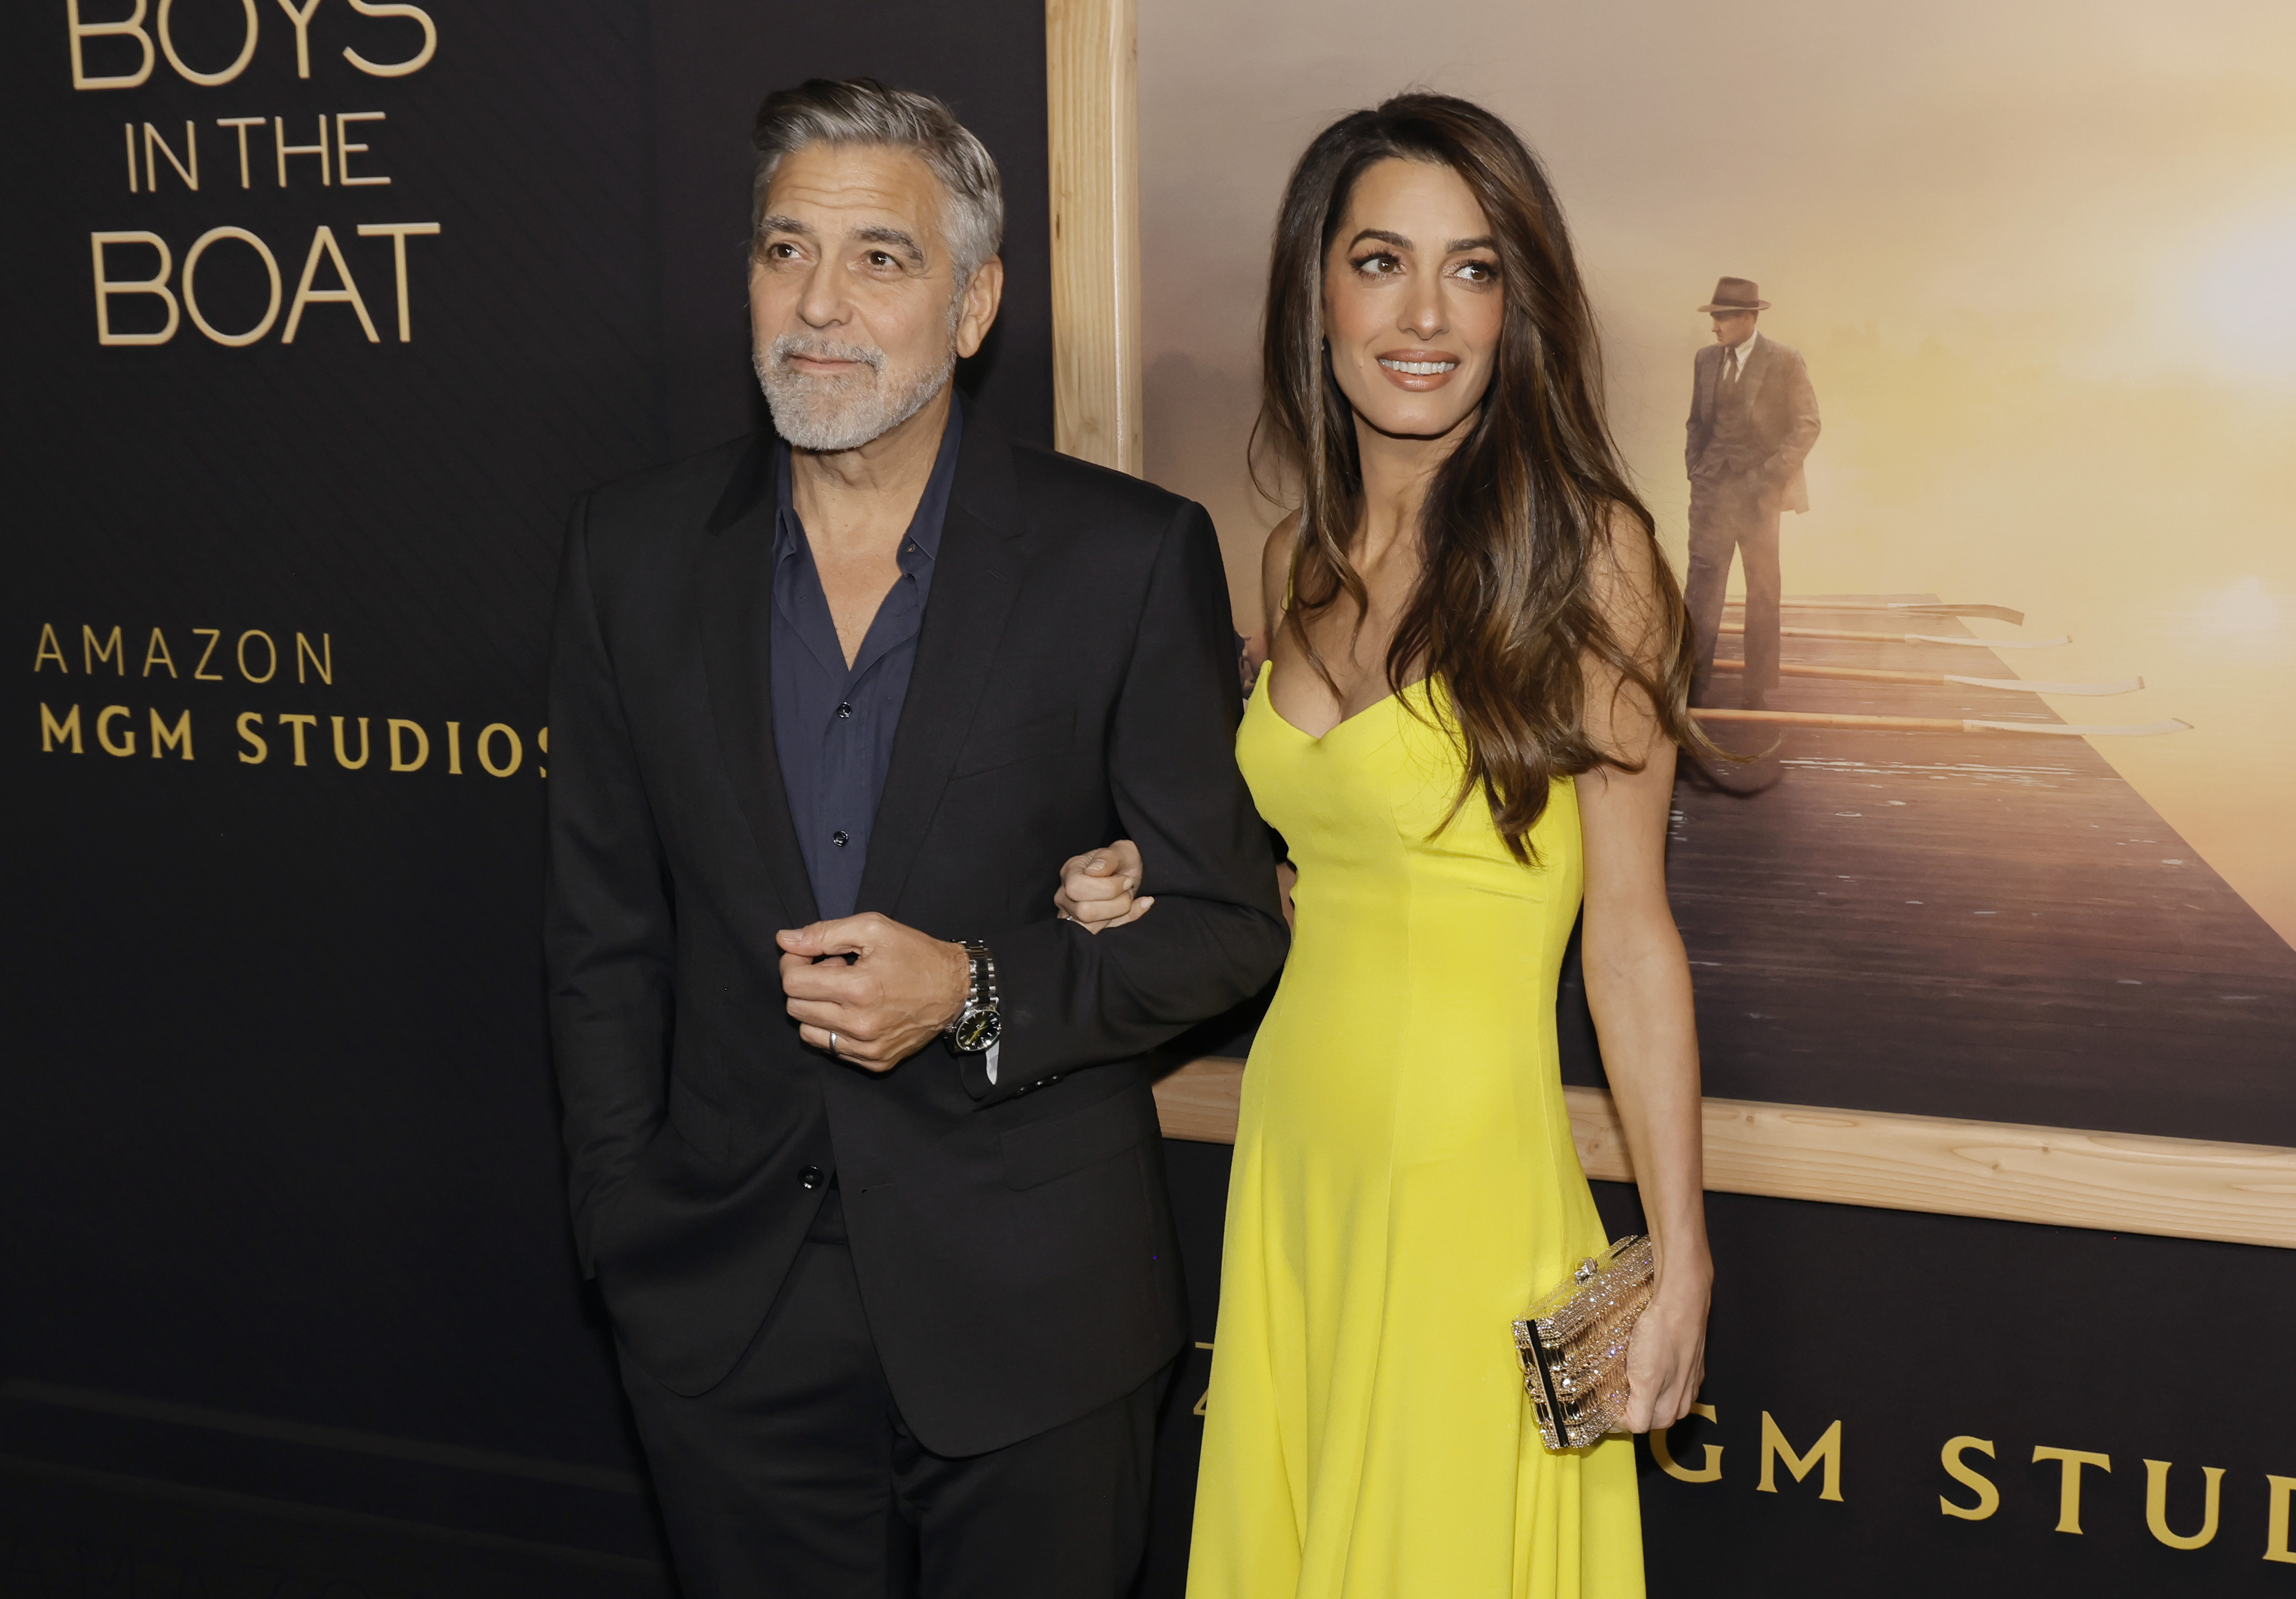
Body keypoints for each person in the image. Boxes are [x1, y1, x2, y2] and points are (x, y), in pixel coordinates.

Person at [543, 78, 1288, 1599]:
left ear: (974, 301)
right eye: (783, 252)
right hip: (726, 1316)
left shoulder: (1125, 558)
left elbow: (1225, 920)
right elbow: (600, 937)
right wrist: (627, 1229)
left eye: (879, 258)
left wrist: (980, 989)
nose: (819, 304)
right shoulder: (629, 553)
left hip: (1039, 1324)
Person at [1064, 93, 1712, 1598]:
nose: (1425, 313)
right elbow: (1324, 876)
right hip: (1303, 1151)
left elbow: (1628, 933)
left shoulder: (1593, 551)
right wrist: (1150, 879)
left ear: (1518, 306)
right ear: (1319, 294)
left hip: (1466, 1179)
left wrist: (1681, 1256)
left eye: (1473, 269)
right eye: (1382, 261)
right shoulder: (1298, 554)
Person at [1681, 276, 1821, 711]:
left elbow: (1807, 425)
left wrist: (1768, 477)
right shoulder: (1705, 360)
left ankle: (1755, 690)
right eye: (1714, 317)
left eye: (1722, 317)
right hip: (1710, 495)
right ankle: (1691, 686)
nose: (1714, 327)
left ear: (1749, 318)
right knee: (1701, 591)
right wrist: (1697, 470)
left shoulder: (1783, 360)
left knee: (1762, 590)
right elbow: (1696, 425)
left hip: (1759, 497)